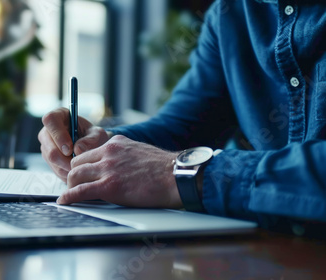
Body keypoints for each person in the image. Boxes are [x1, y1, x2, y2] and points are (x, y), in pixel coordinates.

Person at [38, 0, 326, 232]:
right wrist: (102, 143)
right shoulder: (230, 15)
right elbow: (181, 127)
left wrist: (184, 173)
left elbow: (168, 163)